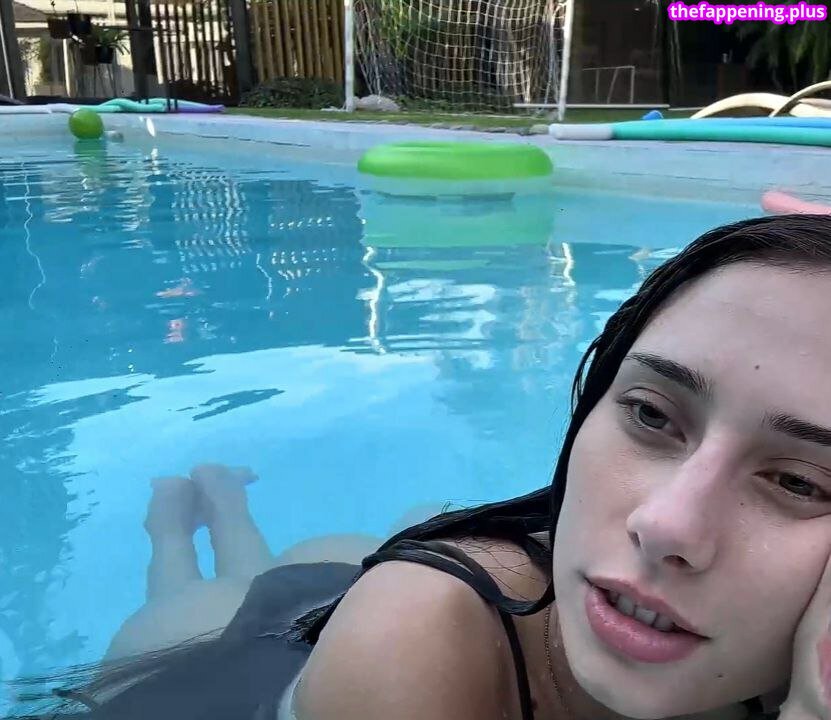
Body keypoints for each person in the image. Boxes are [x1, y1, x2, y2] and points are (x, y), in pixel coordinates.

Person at [13, 214, 831, 720]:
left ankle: (228, 505)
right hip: (252, 659)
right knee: (192, 594)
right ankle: (178, 521)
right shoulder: (409, 659)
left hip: (367, 582)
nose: (664, 525)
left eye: (799, 482)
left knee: (287, 569)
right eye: (650, 415)